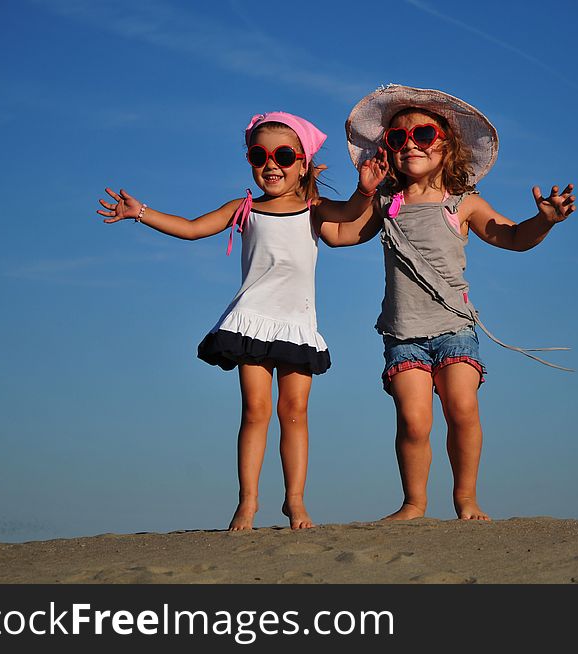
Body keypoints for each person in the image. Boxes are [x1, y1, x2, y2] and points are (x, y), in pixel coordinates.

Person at [96, 111, 387, 530]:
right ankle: (247, 502)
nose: (271, 165)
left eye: (284, 155)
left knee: (295, 411)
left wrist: (365, 190)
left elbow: (349, 213)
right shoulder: (245, 208)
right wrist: (141, 211)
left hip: (297, 324)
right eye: (259, 155)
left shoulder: (314, 209)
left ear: (302, 163)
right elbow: (194, 229)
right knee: (255, 410)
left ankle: (295, 502)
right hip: (252, 321)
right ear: (250, 161)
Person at [327, 84, 577, 521]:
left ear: (448, 145)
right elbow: (339, 235)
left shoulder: (463, 203)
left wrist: (544, 221)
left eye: (422, 135)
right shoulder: (386, 203)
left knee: (462, 409)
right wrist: (344, 196)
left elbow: (512, 238)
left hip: (454, 331)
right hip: (403, 335)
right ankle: (414, 503)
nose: (410, 145)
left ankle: (466, 499)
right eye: (397, 138)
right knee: (414, 420)